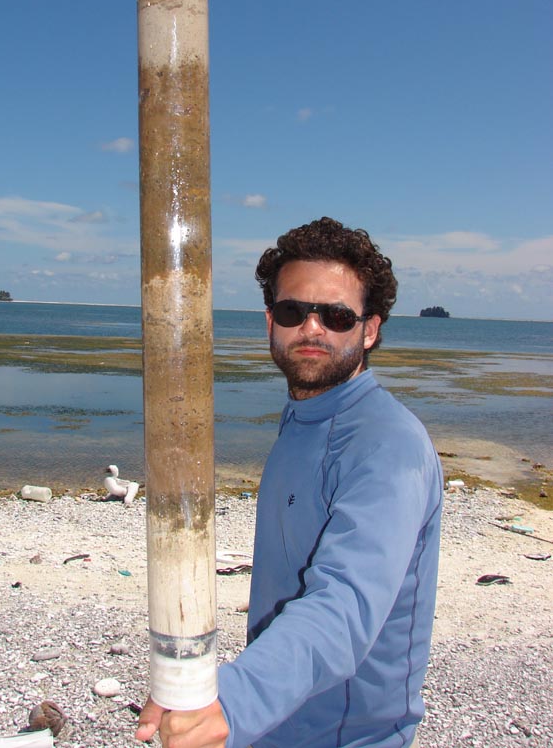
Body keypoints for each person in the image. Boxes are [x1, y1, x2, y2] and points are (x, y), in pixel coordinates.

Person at [136, 216, 444, 748]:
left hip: (348, 734)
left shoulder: (387, 445)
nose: (312, 328)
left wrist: (233, 700)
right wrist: (208, 687)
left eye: (337, 315)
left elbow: (344, 605)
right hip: (280, 721)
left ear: (370, 329)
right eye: (293, 311)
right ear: (270, 322)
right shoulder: (304, 420)